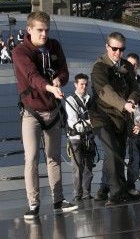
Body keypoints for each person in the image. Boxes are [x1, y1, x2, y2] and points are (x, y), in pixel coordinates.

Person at [12, 11, 78, 220]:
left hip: (53, 110)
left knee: (54, 157)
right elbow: (32, 77)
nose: (44, 34)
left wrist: (59, 79)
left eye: (46, 30)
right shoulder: (20, 52)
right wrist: (50, 87)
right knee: (31, 157)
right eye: (39, 30)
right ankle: (33, 204)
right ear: (29, 30)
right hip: (32, 112)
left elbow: (65, 71)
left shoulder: (54, 46)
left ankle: (58, 200)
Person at [90, 32, 140, 206]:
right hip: (101, 116)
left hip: (120, 117)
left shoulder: (126, 66)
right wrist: (123, 104)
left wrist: (132, 100)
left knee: (119, 154)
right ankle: (115, 193)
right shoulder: (99, 67)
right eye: (114, 49)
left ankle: (106, 188)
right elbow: (105, 92)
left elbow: (135, 88)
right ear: (107, 47)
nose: (118, 53)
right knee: (111, 151)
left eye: (122, 49)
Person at [65, 73, 97, 202]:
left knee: (89, 166)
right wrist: (90, 122)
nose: (84, 86)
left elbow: (96, 117)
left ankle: (87, 193)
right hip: (76, 139)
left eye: (86, 84)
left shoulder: (90, 100)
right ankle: (77, 194)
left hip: (89, 138)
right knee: (77, 167)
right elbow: (74, 123)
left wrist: (89, 122)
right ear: (75, 85)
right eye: (81, 84)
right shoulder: (70, 100)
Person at [125, 53, 140, 196]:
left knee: (135, 156)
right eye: (129, 64)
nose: (132, 67)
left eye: (135, 64)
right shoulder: (120, 80)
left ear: (138, 66)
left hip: (135, 125)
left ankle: (130, 185)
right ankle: (111, 186)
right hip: (121, 124)